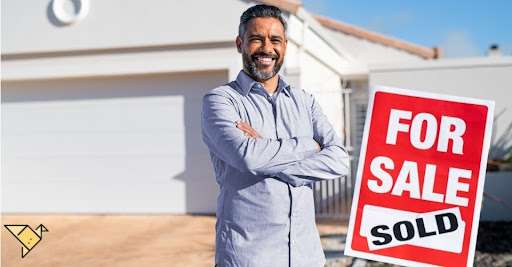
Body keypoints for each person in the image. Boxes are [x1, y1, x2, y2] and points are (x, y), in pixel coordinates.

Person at [201, 4, 349, 267]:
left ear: (285, 46)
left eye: (275, 40)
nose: (266, 48)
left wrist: (268, 157)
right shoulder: (221, 101)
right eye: (256, 39)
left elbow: (339, 160)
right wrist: (310, 146)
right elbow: (247, 157)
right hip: (249, 259)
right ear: (240, 44)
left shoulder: (305, 102)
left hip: (307, 258)